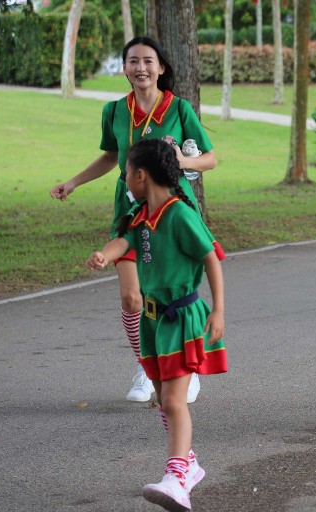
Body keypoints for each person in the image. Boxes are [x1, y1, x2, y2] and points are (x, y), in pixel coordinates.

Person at [50, 36, 218, 403]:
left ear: (161, 67)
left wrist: (181, 161)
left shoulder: (180, 108)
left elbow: (210, 158)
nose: (141, 68)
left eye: (148, 61)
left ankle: (184, 368)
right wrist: (73, 182)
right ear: (124, 68)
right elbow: (112, 156)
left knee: (174, 292)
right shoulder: (114, 111)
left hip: (173, 210)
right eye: (133, 61)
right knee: (131, 297)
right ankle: (148, 363)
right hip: (129, 210)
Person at [86, 138, 227, 512]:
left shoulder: (180, 214)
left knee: (173, 401)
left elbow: (211, 258)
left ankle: (178, 477)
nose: (125, 178)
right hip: (153, 322)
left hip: (180, 317)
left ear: (141, 175)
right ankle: (190, 463)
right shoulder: (141, 215)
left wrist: (218, 311)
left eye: (127, 172)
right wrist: (105, 255)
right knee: (166, 400)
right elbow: (124, 242)